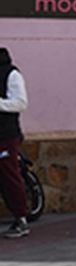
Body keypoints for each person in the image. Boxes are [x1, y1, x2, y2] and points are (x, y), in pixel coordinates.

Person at [0, 48, 31, 239]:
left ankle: (21, 219)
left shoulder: (10, 73)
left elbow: (20, 102)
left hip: (5, 134)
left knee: (9, 175)